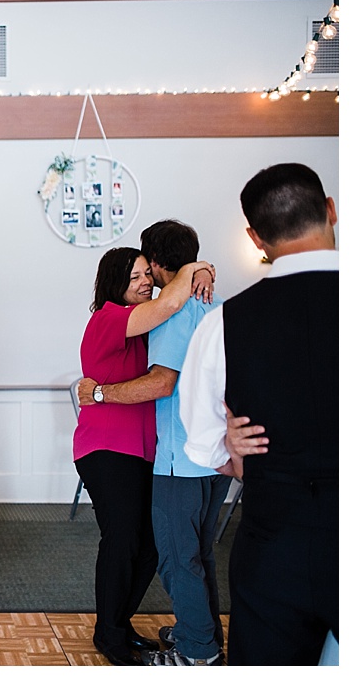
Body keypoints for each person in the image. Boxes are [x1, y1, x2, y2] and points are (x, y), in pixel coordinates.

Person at [179, 163, 338, 666]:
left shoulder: (225, 322)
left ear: (254, 237)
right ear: (331, 210)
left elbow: (205, 448)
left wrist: (235, 453)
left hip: (277, 541)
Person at [77, 221, 228, 666]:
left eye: (148, 272)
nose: (145, 282)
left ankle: (128, 626)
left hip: (156, 452)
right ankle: (111, 633)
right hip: (110, 448)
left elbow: (163, 373)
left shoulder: (162, 315)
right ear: (114, 284)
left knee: (158, 548)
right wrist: (196, 270)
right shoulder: (112, 318)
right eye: (135, 277)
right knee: (127, 541)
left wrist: (199, 269)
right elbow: (172, 306)